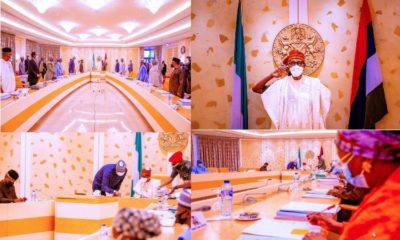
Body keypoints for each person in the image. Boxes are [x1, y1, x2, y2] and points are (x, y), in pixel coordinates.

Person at [304, 131, 400, 240]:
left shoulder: (394, 203)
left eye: (344, 161)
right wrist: (338, 226)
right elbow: (369, 229)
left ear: (367, 159)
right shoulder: (385, 184)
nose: (344, 168)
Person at [252, 49, 331, 129]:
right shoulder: (281, 84)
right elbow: (257, 89)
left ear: (304, 66)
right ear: (288, 66)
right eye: (292, 63)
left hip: (308, 128)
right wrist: (271, 75)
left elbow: (325, 101)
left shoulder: (314, 84)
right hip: (286, 129)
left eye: (299, 63)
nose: (296, 66)